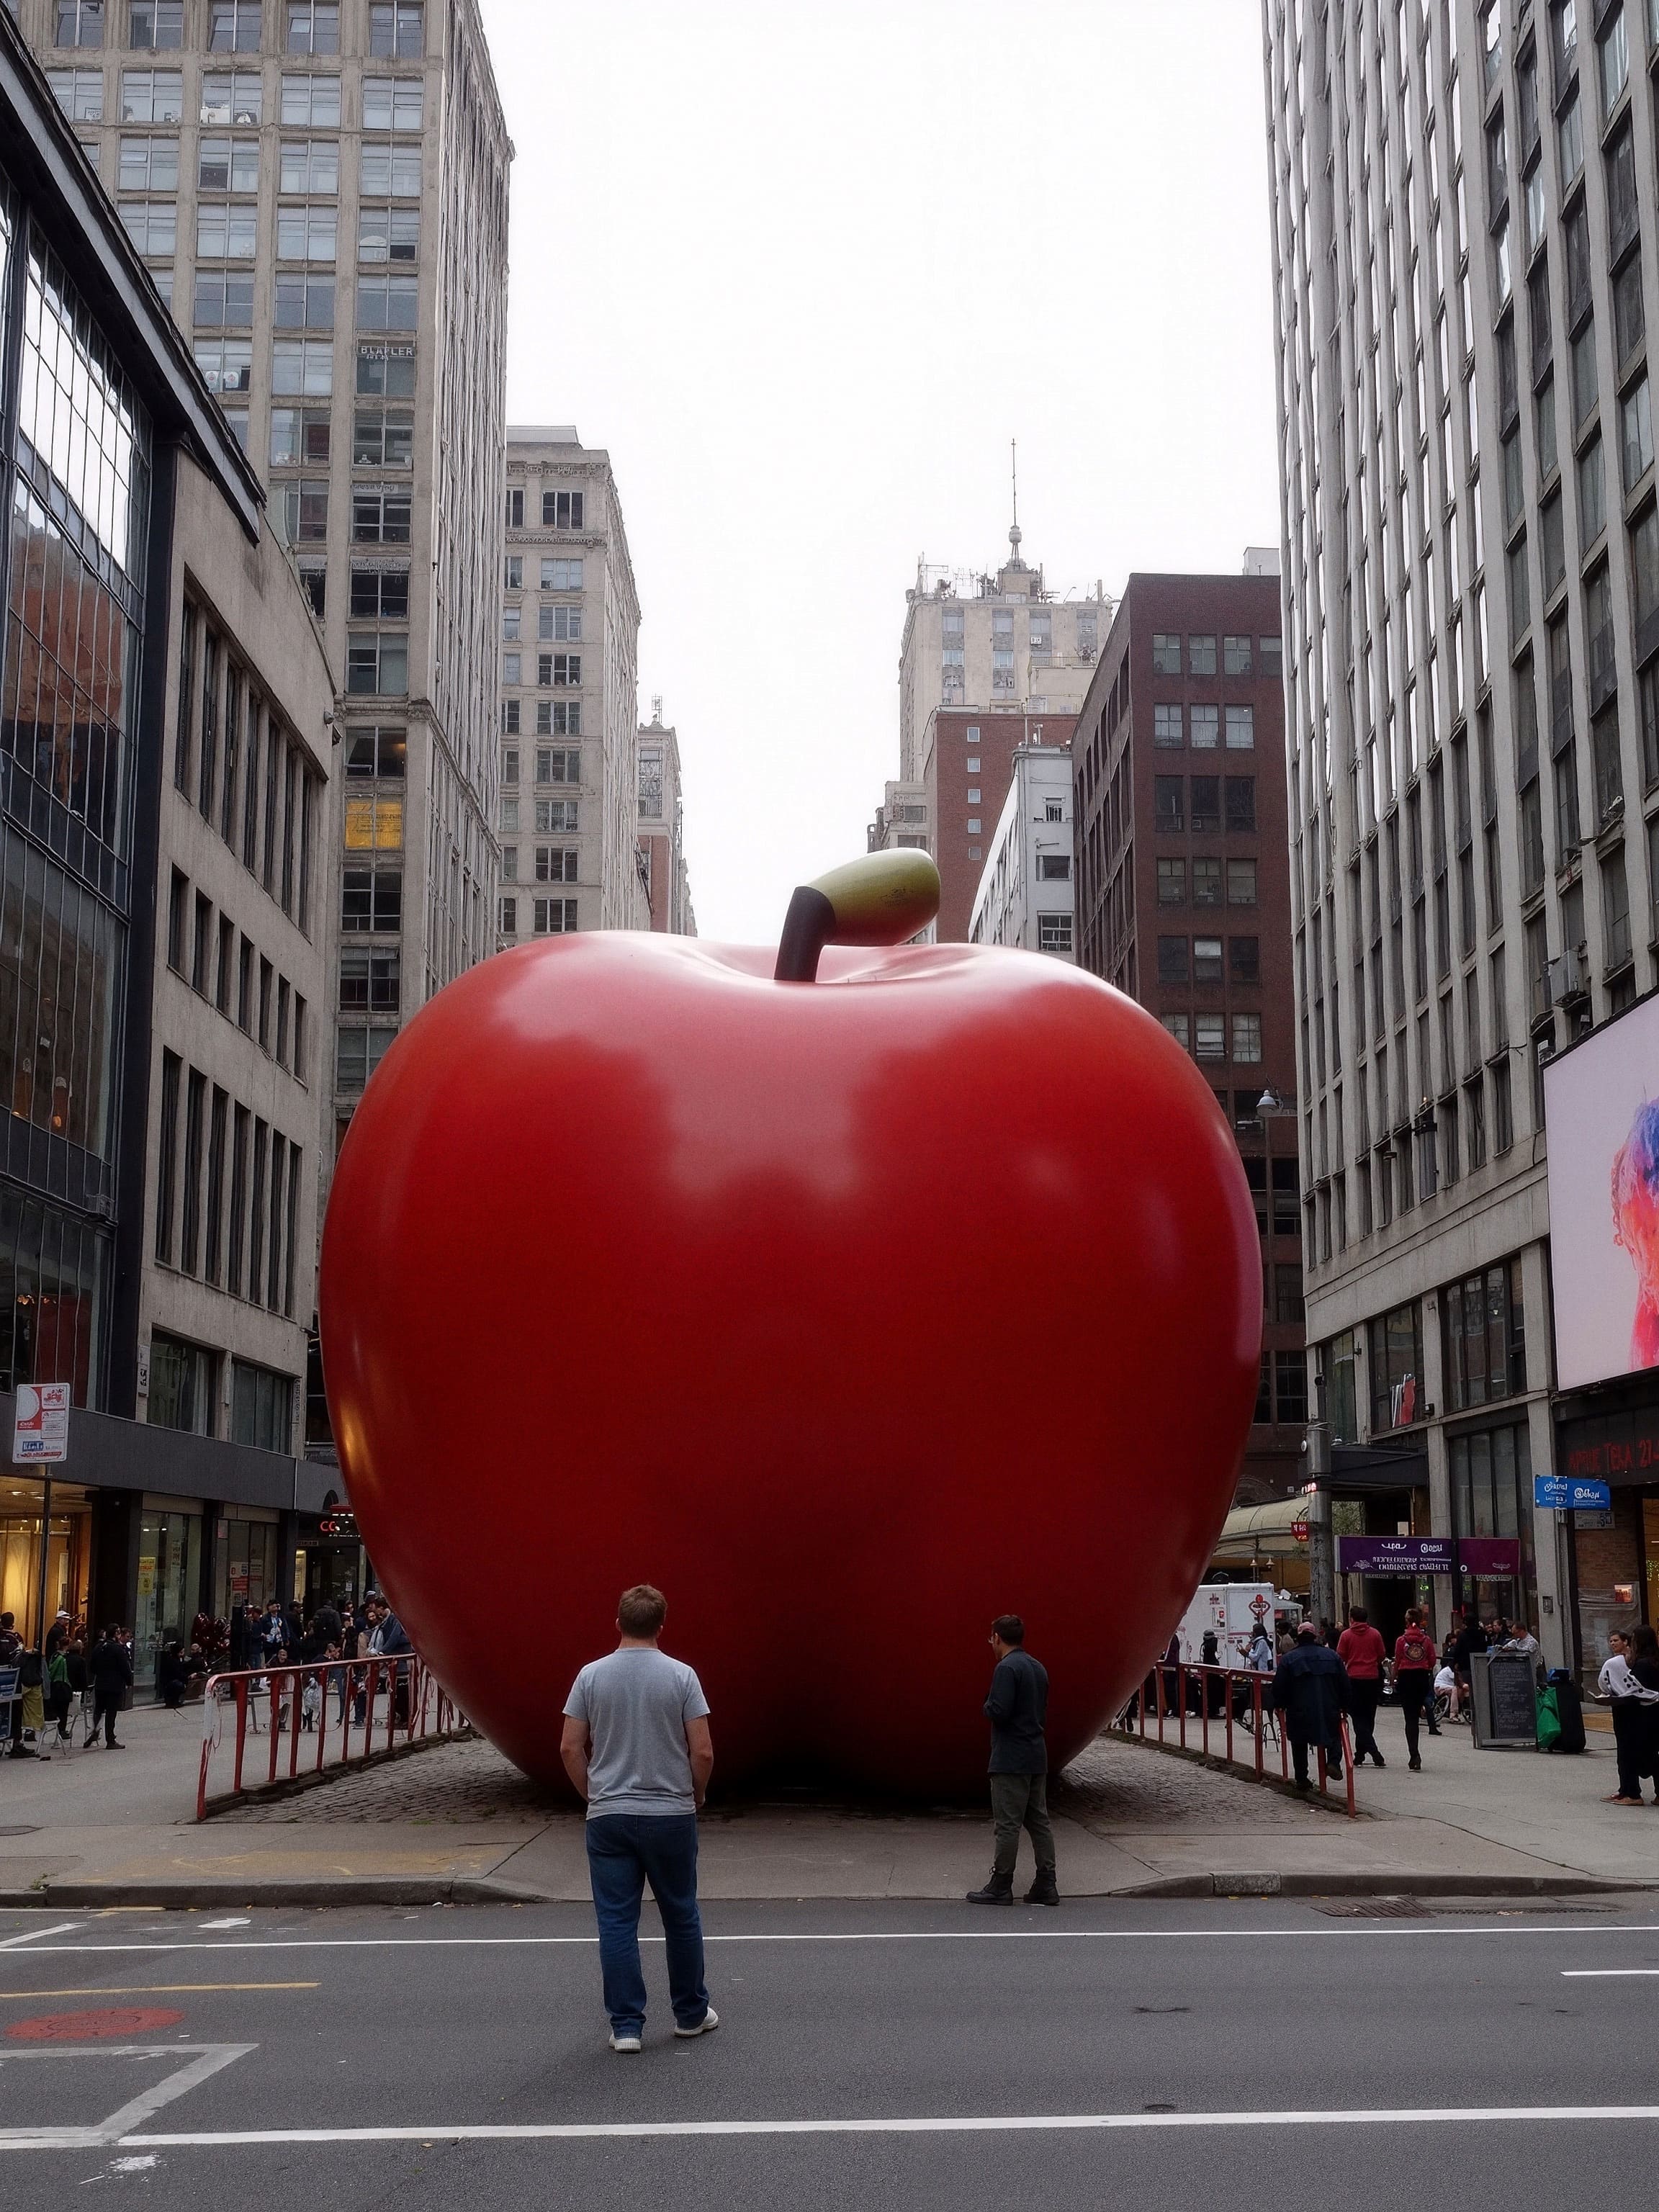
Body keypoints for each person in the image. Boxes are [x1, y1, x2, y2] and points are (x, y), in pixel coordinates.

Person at [560, 1583, 716, 2054]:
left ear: (618, 1624)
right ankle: (690, 2013)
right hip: (670, 1814)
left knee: (616, 1922)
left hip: (609, 1816)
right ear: (662, 1626)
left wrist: (592, 1793)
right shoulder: (683, 1677)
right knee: (681, 1915)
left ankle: (626, 2026)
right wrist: (698, 1793)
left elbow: (570, 1746)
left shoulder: (590, 1676)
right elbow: (703, 1750)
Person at [967, 1614, 1058, 1907]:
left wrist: (987, 1704)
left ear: (997, 1637)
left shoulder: (1006, 1669)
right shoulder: (1038, 1667)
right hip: (1036, 1754)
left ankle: (1001, 1884)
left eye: (991, 1638)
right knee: (1039, 1821)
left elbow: (1000, 1711)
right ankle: (1047, 1882)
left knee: (1007, 1824)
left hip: (1010, 1757)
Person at [1271, 1620, 1349, 1789]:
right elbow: (1344, 1683)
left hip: (1299, 1708)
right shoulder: (1332, 1656)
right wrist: (1344, 1706)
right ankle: (1334, 1762)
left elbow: (1279, 1687)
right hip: (1328, 1706)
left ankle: (1302, 1779)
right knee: (1334, 1736)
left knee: (1299, 1742)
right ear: (1315, 1636)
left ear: (1298, 1637)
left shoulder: (1289, 1659)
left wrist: (1280, 1705)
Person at [1595, 1630, 1655, 1805]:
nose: (1613, 1644)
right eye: (1611, 1640)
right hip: (1646, 1711)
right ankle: (1630, 1790)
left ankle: (1631, 1792)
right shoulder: (1646, 1661)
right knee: (1645, 1751)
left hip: (1629, 1708)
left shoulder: (1629, 1663)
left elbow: (1604, 1683)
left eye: (1616, 1640)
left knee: (1627, 1752)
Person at [1336, 1606, 1388, 1767]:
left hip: (1353, 1678)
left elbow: (1340, 1656)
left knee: (1358, 1717)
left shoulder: (1346, 1635)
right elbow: (1382, 1655)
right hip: (1372, 1678)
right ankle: (1360, 1754)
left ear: (1352, 1619)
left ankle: (1373, 1751)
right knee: (1368, 1717)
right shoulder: (1375, 1634)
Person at [1392, 1606, 1437, 1771]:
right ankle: (1426, 1716)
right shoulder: (1426, 1640)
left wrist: (1394, 1677)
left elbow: (1397, 1660)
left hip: (1406, 1677)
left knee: (1409, 1718)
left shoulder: (1401, 1640)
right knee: (1417, 1711)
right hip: (1421, 1677)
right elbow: (1432, 1660)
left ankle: (1414, 1754)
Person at [86, 1624, 132, 1749]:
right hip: (114, 1684)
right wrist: (129, 1681)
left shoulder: (99, 1647)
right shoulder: (117, 1649)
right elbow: (124, 1667)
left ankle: (95, 1728)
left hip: (101, 1683)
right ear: (116, 1634)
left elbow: (92, 1666)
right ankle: (110, 1740)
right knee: (111, 1712)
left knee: (99, 1709)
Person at [1629, 1624, 1659, 1803]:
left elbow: (1633, 1689)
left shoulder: (1642, 1664)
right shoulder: (1655, 1659)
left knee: (1647, 1753)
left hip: (1646, 1713)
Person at [156, 1640, 188, 1711]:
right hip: (170, 1682)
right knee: (179, 1685)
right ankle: (173, 1702)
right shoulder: (172, 1660)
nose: (182, 1654)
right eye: (181, 1652)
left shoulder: (176, 1659)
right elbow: (177, 1673)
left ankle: (174, 1701)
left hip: (171, 1680)